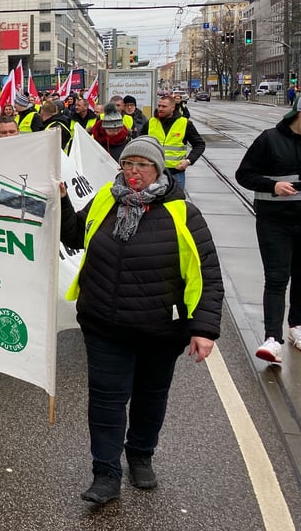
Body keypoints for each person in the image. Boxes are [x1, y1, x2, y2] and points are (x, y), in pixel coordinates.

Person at [59, 135, 223, 504]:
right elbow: (74, 235)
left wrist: (205, 329)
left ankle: (141, 455)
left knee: (150, 396)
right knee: (106, 399)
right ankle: (106, 472)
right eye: (128, 163)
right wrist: (63, 201)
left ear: (157, 170)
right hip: (104, 323)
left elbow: (208, 275)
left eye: (143, 165)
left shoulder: (183, 213)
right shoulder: (106, 198)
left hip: (160, 329)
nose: (134, 171)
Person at [236, 96, 301, 363]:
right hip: (274, 222)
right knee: (277, 278)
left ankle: (297, 326)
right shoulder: (269, 139)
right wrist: (272, 187)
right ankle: (272, 338)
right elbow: (244, 175)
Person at [147, 95, 205, 190]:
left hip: (176, 173)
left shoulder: (185, 123)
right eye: (159, 106)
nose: (160, 109)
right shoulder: (151, 122)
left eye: (164, 106)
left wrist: (188, 161)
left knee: (175, 203)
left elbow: (199, 145)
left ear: (173, 108)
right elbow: (139, 142)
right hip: (153, 172)